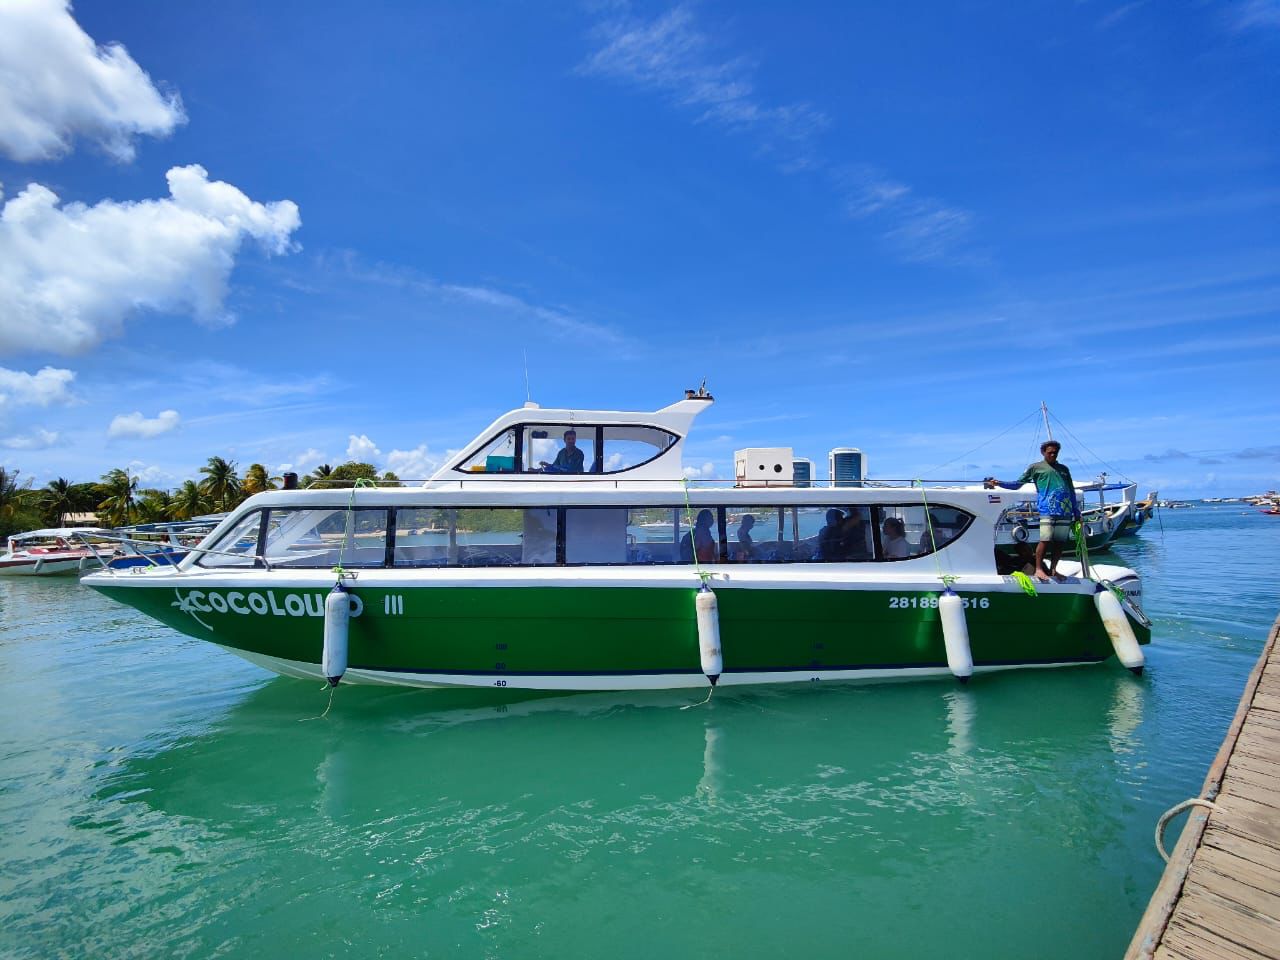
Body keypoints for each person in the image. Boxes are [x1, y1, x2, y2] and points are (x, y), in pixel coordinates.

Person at [985, 440, 1081, 581]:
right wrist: (999, 483)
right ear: (1043, 453)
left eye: (1055, 452)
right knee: (1045, 539)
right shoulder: (1035, 468)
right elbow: (1018, 485)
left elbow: (1071, 491)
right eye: (1050, 452)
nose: (1053, 455)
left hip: (1065, 511)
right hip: (1047, 509)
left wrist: (1076, 511)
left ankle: (1054, 569)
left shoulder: (1064, 469)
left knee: (1060, 542)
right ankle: (1038, 569)